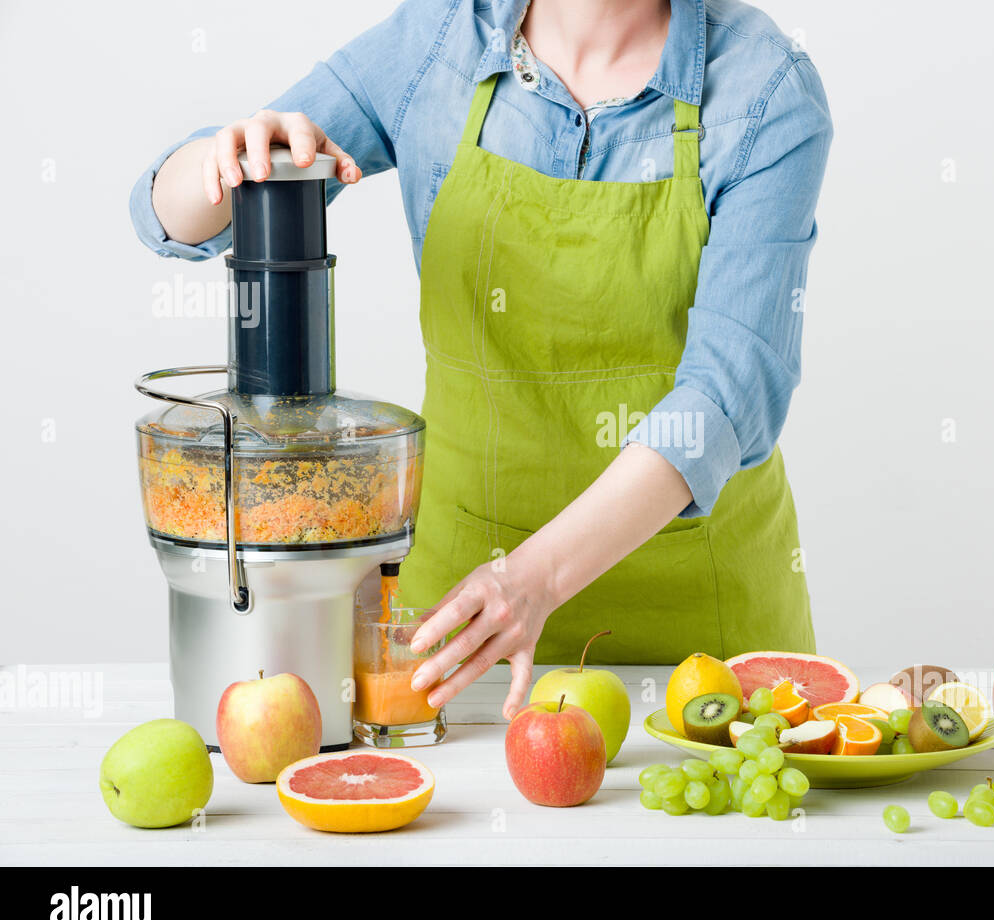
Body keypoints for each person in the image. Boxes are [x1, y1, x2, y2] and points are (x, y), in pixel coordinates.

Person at [131, 0, 832, 719]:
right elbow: (164, 214)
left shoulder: (763, 87)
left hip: (702, 660)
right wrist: (225, 159)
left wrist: (534, 579)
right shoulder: (439, 42)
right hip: (459, 641)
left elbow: (727, 396)